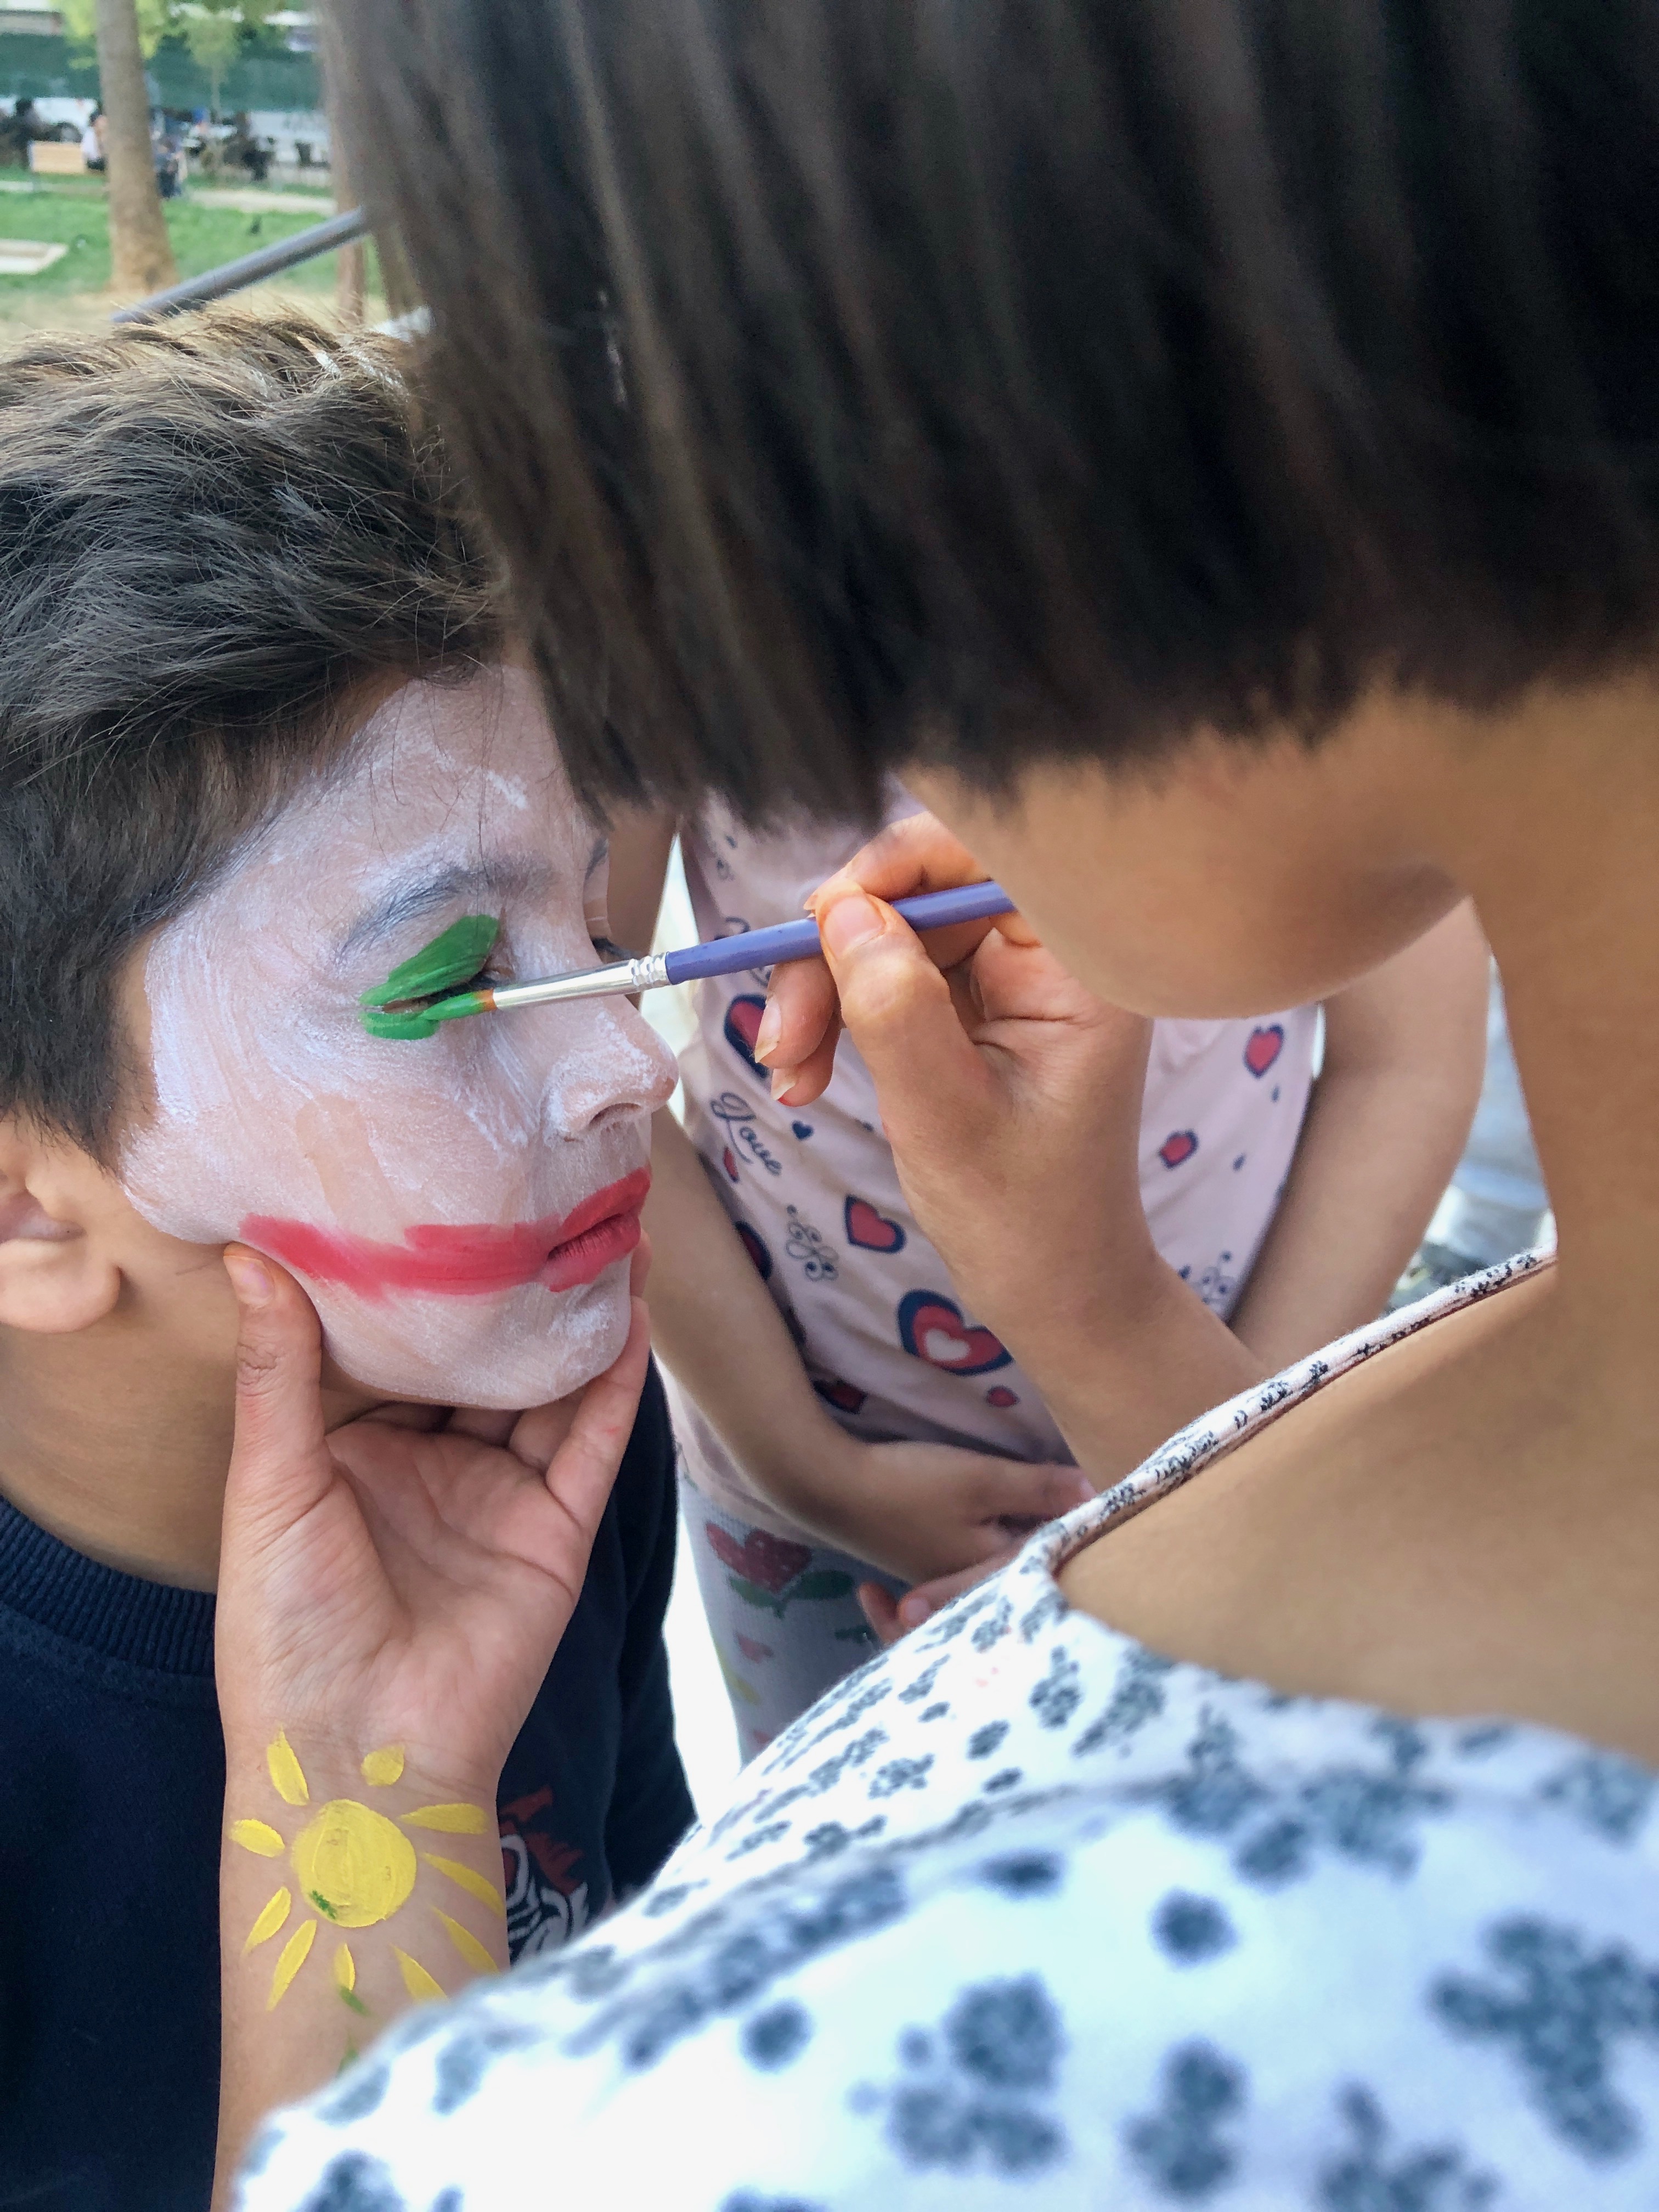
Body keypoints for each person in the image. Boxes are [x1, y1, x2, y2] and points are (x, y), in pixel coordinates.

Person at [230, 1, 1659, 2204]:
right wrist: (1094, 1349)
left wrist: (355, 1803)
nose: (612, 1062)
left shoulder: (654, 2140)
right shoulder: (1532, 1408)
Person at [0, 310, 691, 2212]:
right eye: (453, 982)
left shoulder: (543, 1431)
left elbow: (645, 1959)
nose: (634, 1063)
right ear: (26, 1207)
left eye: (596, 920)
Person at [616, 801, 1485, 1751]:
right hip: (805, 1492)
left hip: (1249, 1442)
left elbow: (1406, 1061)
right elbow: (586, 1052)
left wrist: (1222, 1448)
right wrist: (808, 1468)